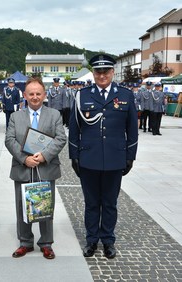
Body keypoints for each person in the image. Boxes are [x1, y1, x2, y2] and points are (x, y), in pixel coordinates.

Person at [69, 54, 138, 259]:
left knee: (109, 203)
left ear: (112, 72)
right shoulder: (83, 95)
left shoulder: (126, 95)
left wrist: (130, 156)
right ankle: (91, 240)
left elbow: (132, 129)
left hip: (115, 159)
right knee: (91, 203)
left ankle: (108, 240)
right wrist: (74, 156)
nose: (101, 75)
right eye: (98, 71)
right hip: (89, 158)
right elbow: (74, 128)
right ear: (93, 73)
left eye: (105, 71)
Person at [5, 77, 66, 260]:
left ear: (44, 95)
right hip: (23, 168)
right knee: (22, 206)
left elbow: (60, 138)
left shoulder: (54, 114)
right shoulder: (16, 116)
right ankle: (25, 242)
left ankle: (46, 243)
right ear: (25, 95)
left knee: (45, 205)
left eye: (38, 93)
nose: (35, 97)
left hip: (45, 167)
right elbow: (9, 140)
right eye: (31, 93)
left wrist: (44, 155)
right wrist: (25, 159)